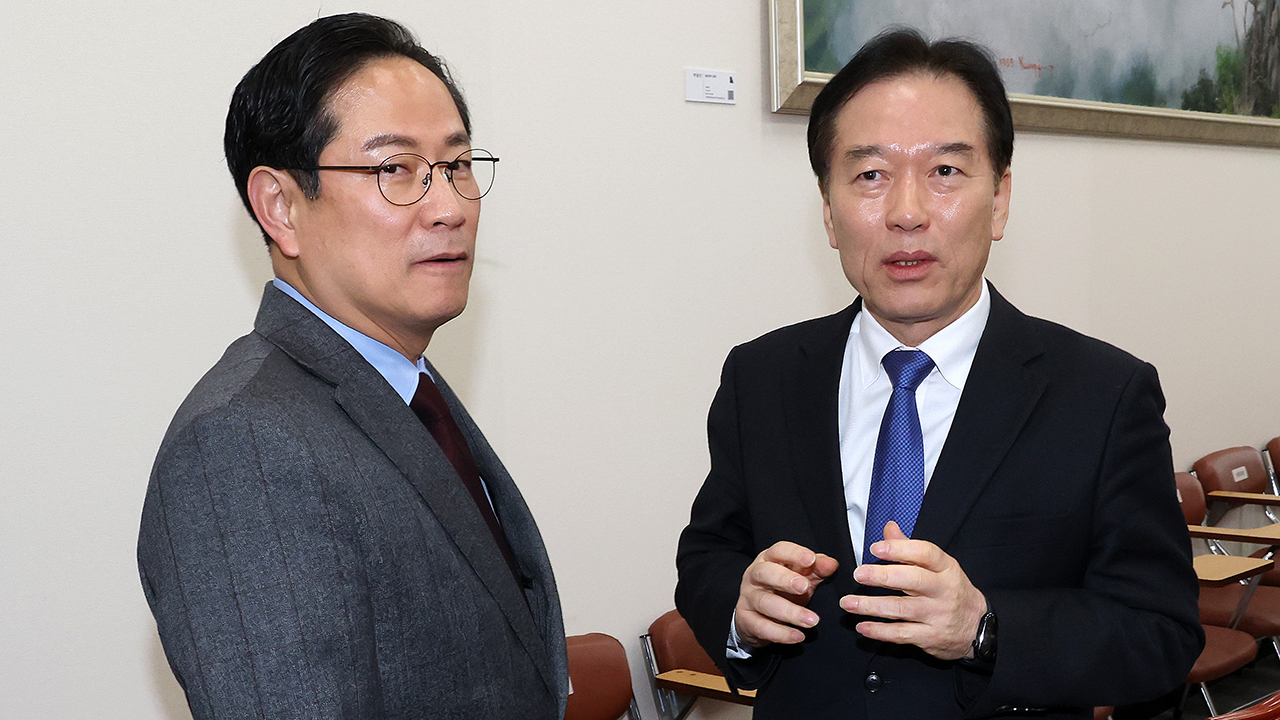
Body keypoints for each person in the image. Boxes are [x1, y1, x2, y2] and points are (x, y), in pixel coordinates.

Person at [675, 28, 1202, 719]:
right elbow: (710, 556)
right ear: (828, 212)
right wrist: (741, 613)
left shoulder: (1103, 395)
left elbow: (1158, 633)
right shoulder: (761, 377)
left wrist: (985, 628)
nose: (907, 213)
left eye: (946, 171)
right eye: (870, 175)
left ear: (1000, 199)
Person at [137, 14, 568, 719]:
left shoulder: (406, 388)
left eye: (458, 165)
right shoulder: (244, 444)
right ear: (280, 206)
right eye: (395, 169)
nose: (449, 207)